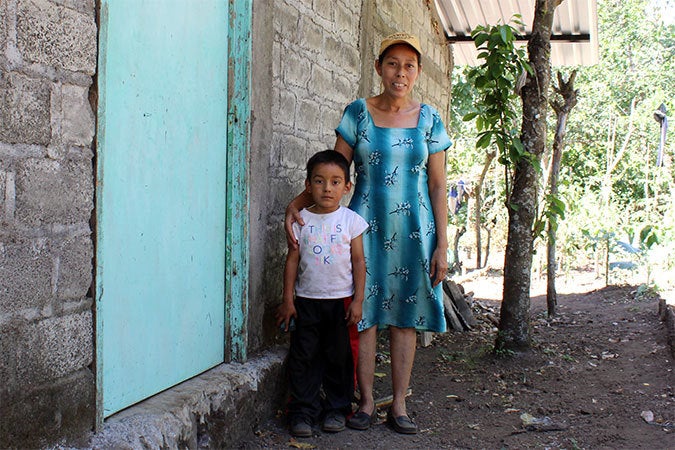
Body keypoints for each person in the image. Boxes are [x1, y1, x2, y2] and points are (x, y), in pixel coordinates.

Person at [285, 32, 451, 435]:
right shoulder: (357, 113)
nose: (400, 72)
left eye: (409, 65)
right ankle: (365, 403)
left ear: (418, 72)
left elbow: (437, 185)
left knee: (405, 316)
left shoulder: (429, 119)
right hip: (363, 227)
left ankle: (400, 404)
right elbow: (334, 171)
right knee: (363, 314)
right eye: (392, 63)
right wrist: (299, 201)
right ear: (378, 67)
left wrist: (442, 243)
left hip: (414, 230)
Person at [277, 150, 369, 437]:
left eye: (335, 182)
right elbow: (291, 260)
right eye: (319, 181)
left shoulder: (351, 221)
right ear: (308, 185)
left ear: (347, 187)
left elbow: (359, 262)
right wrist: (288, 299)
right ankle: (303, 411)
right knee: (304, 357)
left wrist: (358, 300)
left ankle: (337, 409)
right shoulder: (301, 220)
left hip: (340, 302)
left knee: (339, 357)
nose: (327, 188)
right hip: (307, 301)